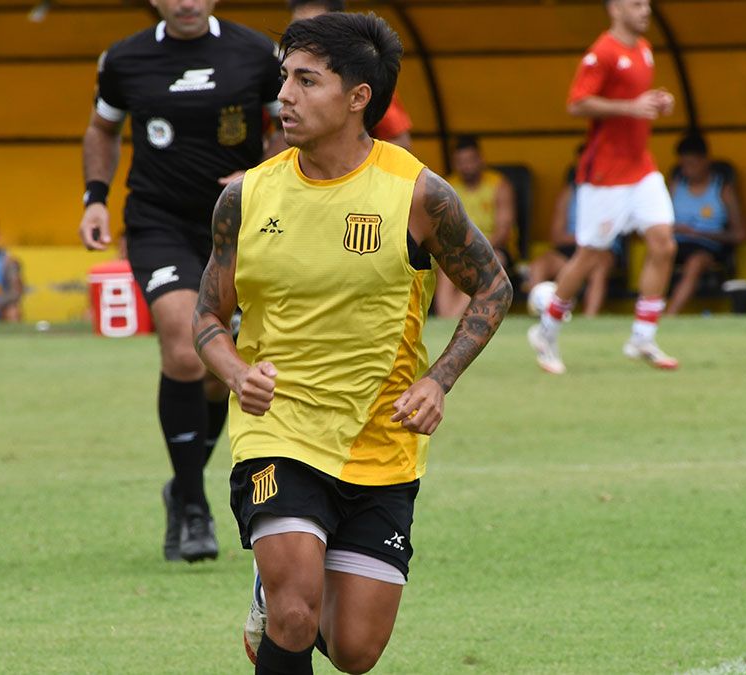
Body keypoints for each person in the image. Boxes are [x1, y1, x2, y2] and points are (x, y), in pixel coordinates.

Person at [192, 13, 511, 674]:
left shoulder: (418, 194)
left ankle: (279, 597)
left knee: (355, 651)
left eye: (307, 81)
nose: (285, 96)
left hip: (380, 439)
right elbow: (207, 319)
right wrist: (235, 371)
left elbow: (493, 287)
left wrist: (439, 379)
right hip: (278, 429)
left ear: (358, 96)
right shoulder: (245, 197)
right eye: (285, 78)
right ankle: (281, 597)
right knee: (295, 613)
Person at [78, 0, 283, 563]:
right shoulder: (124, 59)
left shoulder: (256, 53)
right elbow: (101, 129)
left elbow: (292, 126)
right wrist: (94, 198)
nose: (186, 1)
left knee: (220, 375)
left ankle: (181, 486)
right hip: (158, 222)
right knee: (184, 345)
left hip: (238, 224)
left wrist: (262, 173)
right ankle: (194, 506)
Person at [528, 0, 678, 375]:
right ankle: (546, 331)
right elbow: (577, 104)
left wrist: (657, 102)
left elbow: (635, 102)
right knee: (590, 256)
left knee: (664, 243)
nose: (645, 10)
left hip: (641, 167)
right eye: (636, 4)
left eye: (646, 4)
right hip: (606, 174)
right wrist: (630, 107)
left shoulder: (644, 49)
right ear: (615, 8)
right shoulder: (602, 53)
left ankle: (642, 337)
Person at [287, 0, 414, 150]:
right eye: (298, 29)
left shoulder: (361, 77)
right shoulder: (280, 75)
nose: (304, 38)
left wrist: (354, 163)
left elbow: (399, 140)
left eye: (307, 82)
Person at [665, 132, 745, 315]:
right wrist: (675, 228)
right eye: (683, 165)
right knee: (657, 254)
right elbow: (660, 222)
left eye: (692, 164)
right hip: (677, 242)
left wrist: (700, 233)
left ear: (705, 161)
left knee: (695, 262)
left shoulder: (723, 189)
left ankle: (669, 316)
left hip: (709, 246)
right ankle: (647, 310)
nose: (687, 170)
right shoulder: (676, 185)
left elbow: (740, 234)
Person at [435, 135, 515, 317]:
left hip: (494, 248)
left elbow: (503, 231)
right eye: (461, 162)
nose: (466, 166)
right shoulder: (447, 186)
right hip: (457, 249)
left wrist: (472, 250)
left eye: (470, 160)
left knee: (490, 261)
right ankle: (444, 317)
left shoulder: (499, 185)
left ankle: (454, 316)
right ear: (454, 163)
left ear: (481, 159)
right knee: (444, 262)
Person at [525, 166, 620, 317]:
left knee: (599, 268)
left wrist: (590, 239)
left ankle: (589, 318)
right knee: (538, 266)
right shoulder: (569, 193)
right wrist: (584, 238)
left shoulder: (614, 192)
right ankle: (541, 312)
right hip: (570, 248)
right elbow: (557, 236)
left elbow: (610, 232)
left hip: (600, 249)